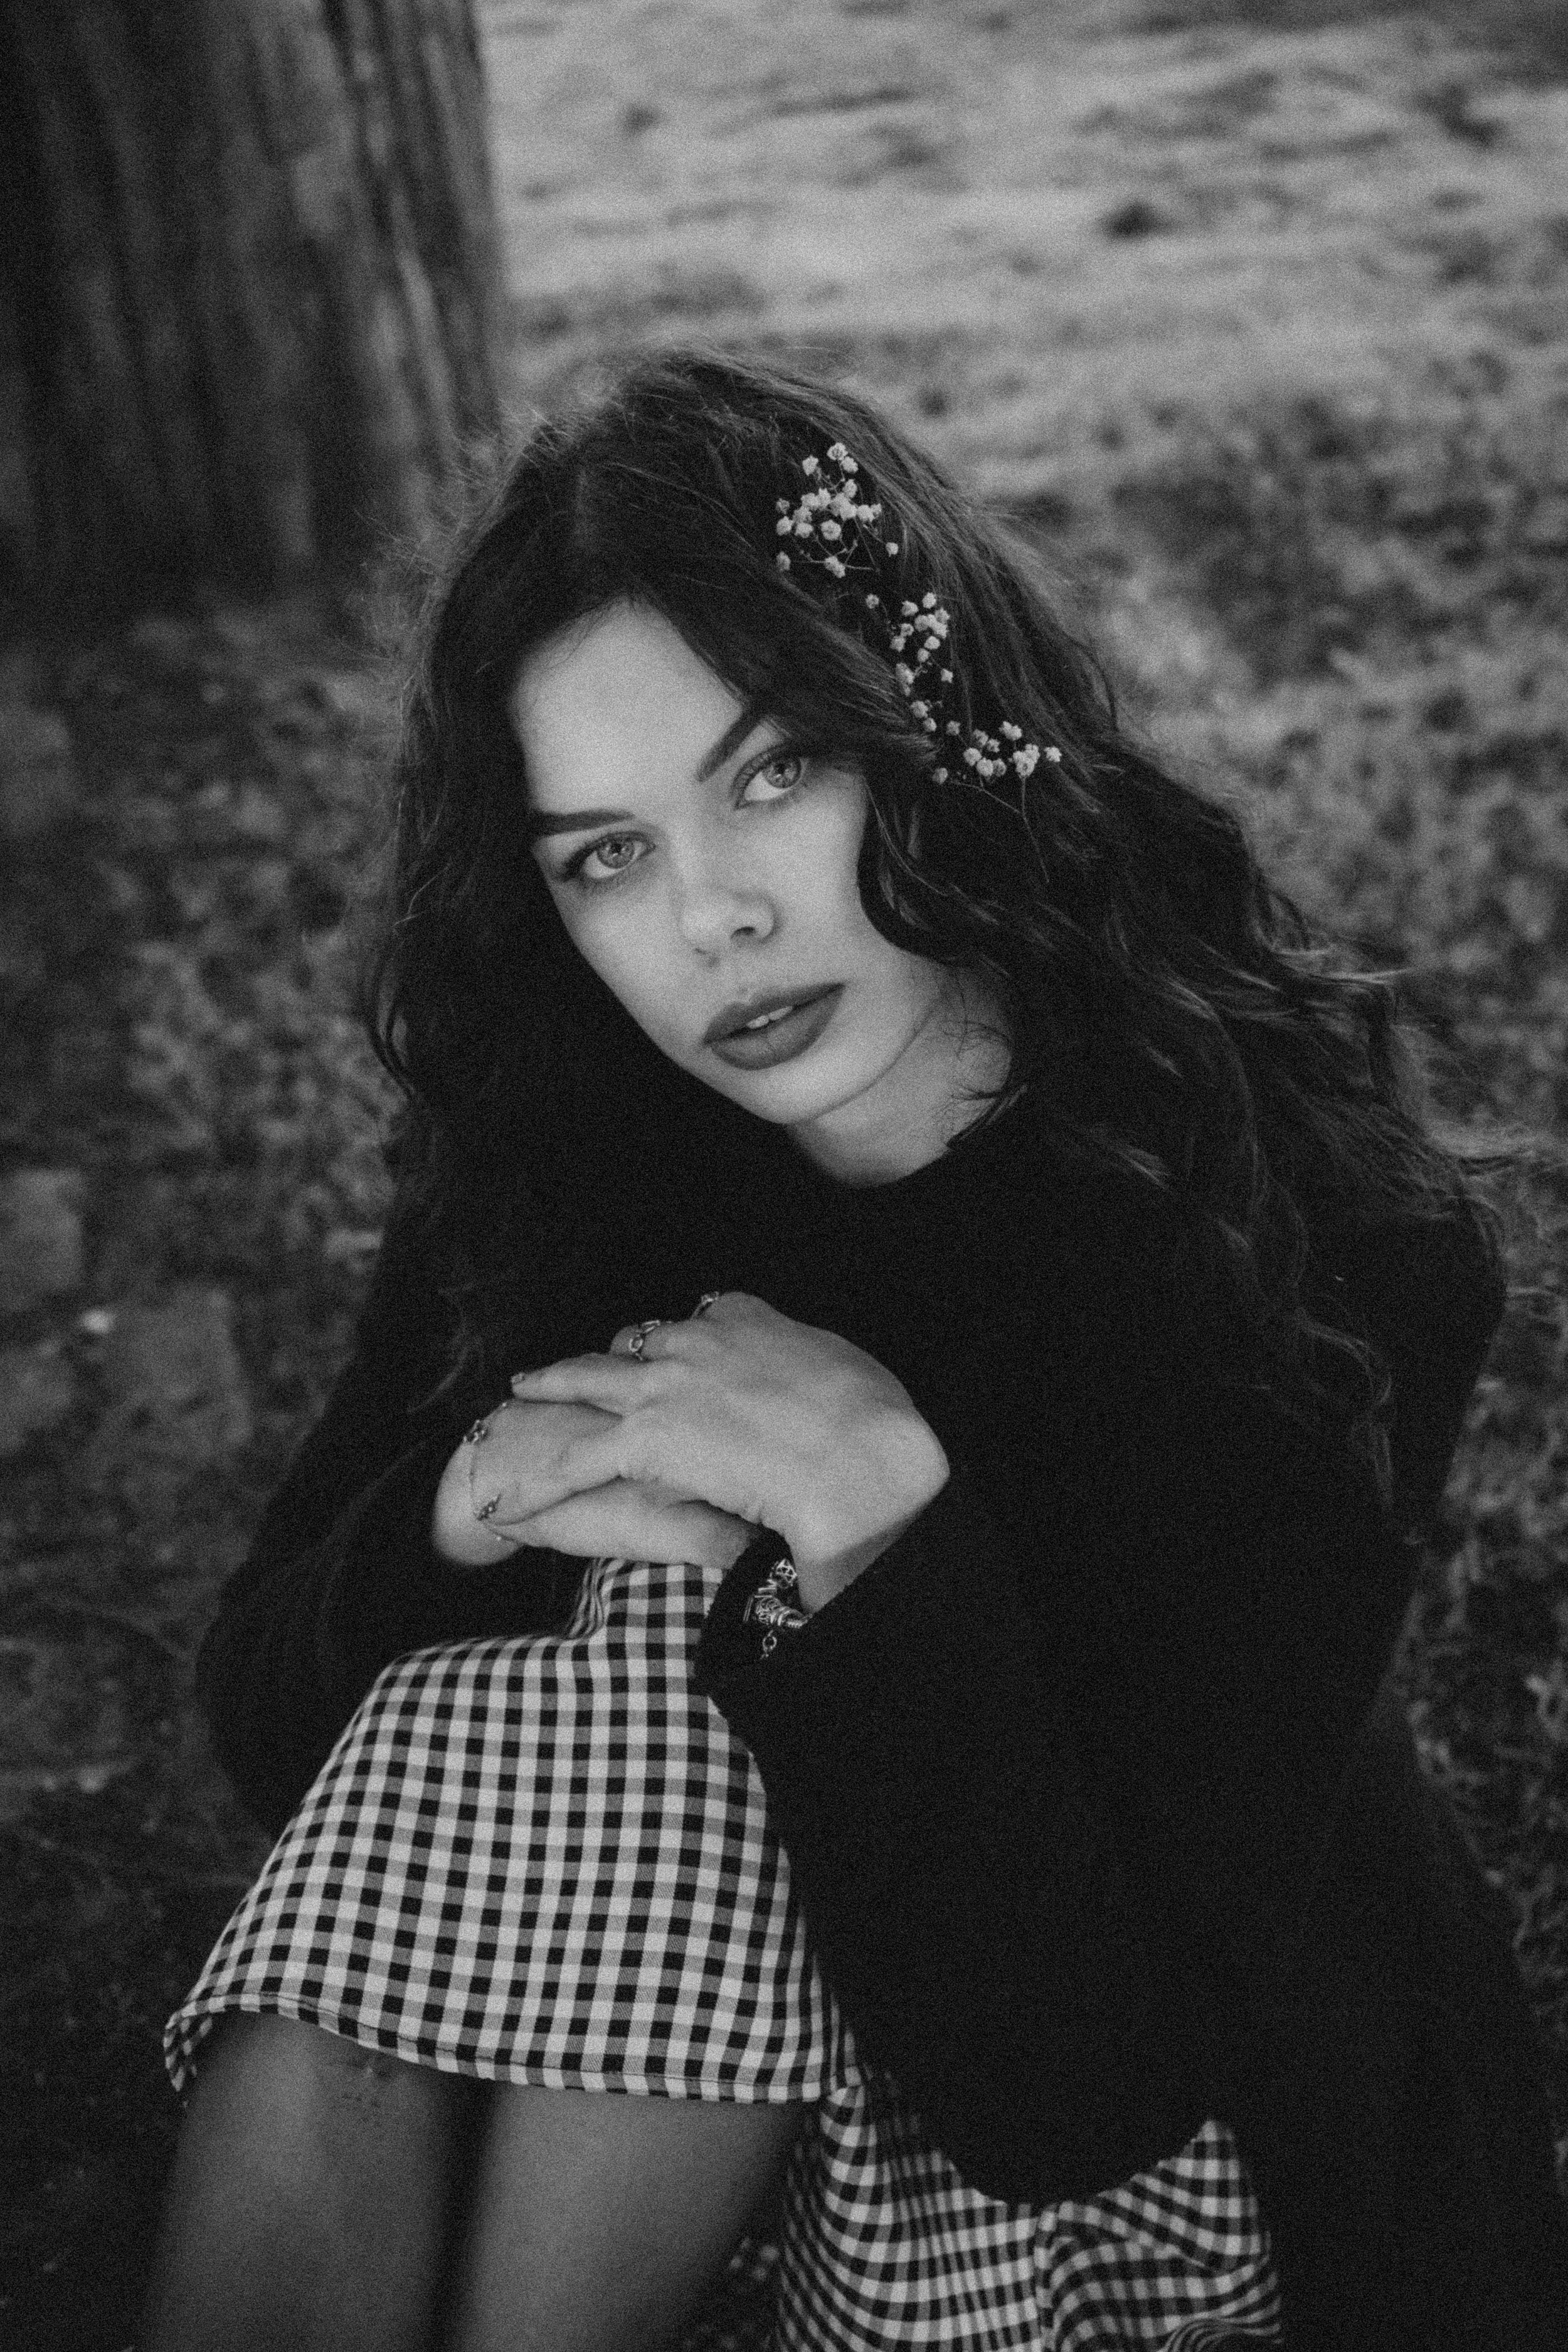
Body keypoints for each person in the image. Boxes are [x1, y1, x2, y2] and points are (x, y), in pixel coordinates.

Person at [143, 349, 1568, 2352]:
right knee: (563, 1649)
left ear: (933, 725)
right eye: (605, 855)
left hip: (1144, 2131)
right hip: (634, 2064)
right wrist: (449, 1518)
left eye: (769, 775)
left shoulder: (1290, 1240)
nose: (710, 917)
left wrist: (874, 1515)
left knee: (684, 1636)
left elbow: (1072, 2071)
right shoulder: (581, 1150)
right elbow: (274, 1714)